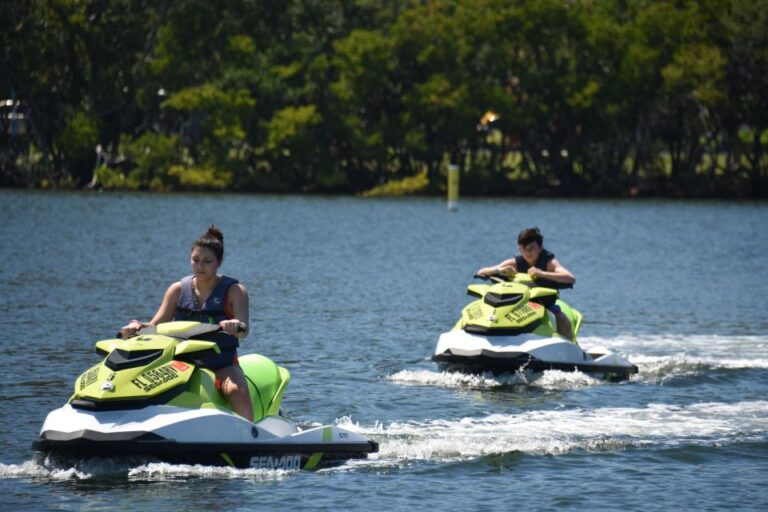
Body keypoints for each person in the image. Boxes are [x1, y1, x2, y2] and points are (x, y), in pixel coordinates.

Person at [120, 225, 253, 421]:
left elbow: (244, 330)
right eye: (195, 260)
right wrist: (136, 327)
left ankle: (249, 438)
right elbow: (155, 325)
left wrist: (235, 325)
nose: (200, 266)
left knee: (236, 390)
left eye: (207, 261)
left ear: (219, 262)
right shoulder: (177, 290)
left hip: (221, 363)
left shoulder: (235, 291)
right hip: (179, 363)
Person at [476, 227, 576, 340]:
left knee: (562, 320)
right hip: (518, 306)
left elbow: (570, 278)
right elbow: (481, 272)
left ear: (540, 247)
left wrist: (542, 273)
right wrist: (500, 270)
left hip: (544, 304)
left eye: (532, 248)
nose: (528, 252)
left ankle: (570, 351)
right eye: (524, 248)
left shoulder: (549, 263)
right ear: (519, 249)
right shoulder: (514, 263)